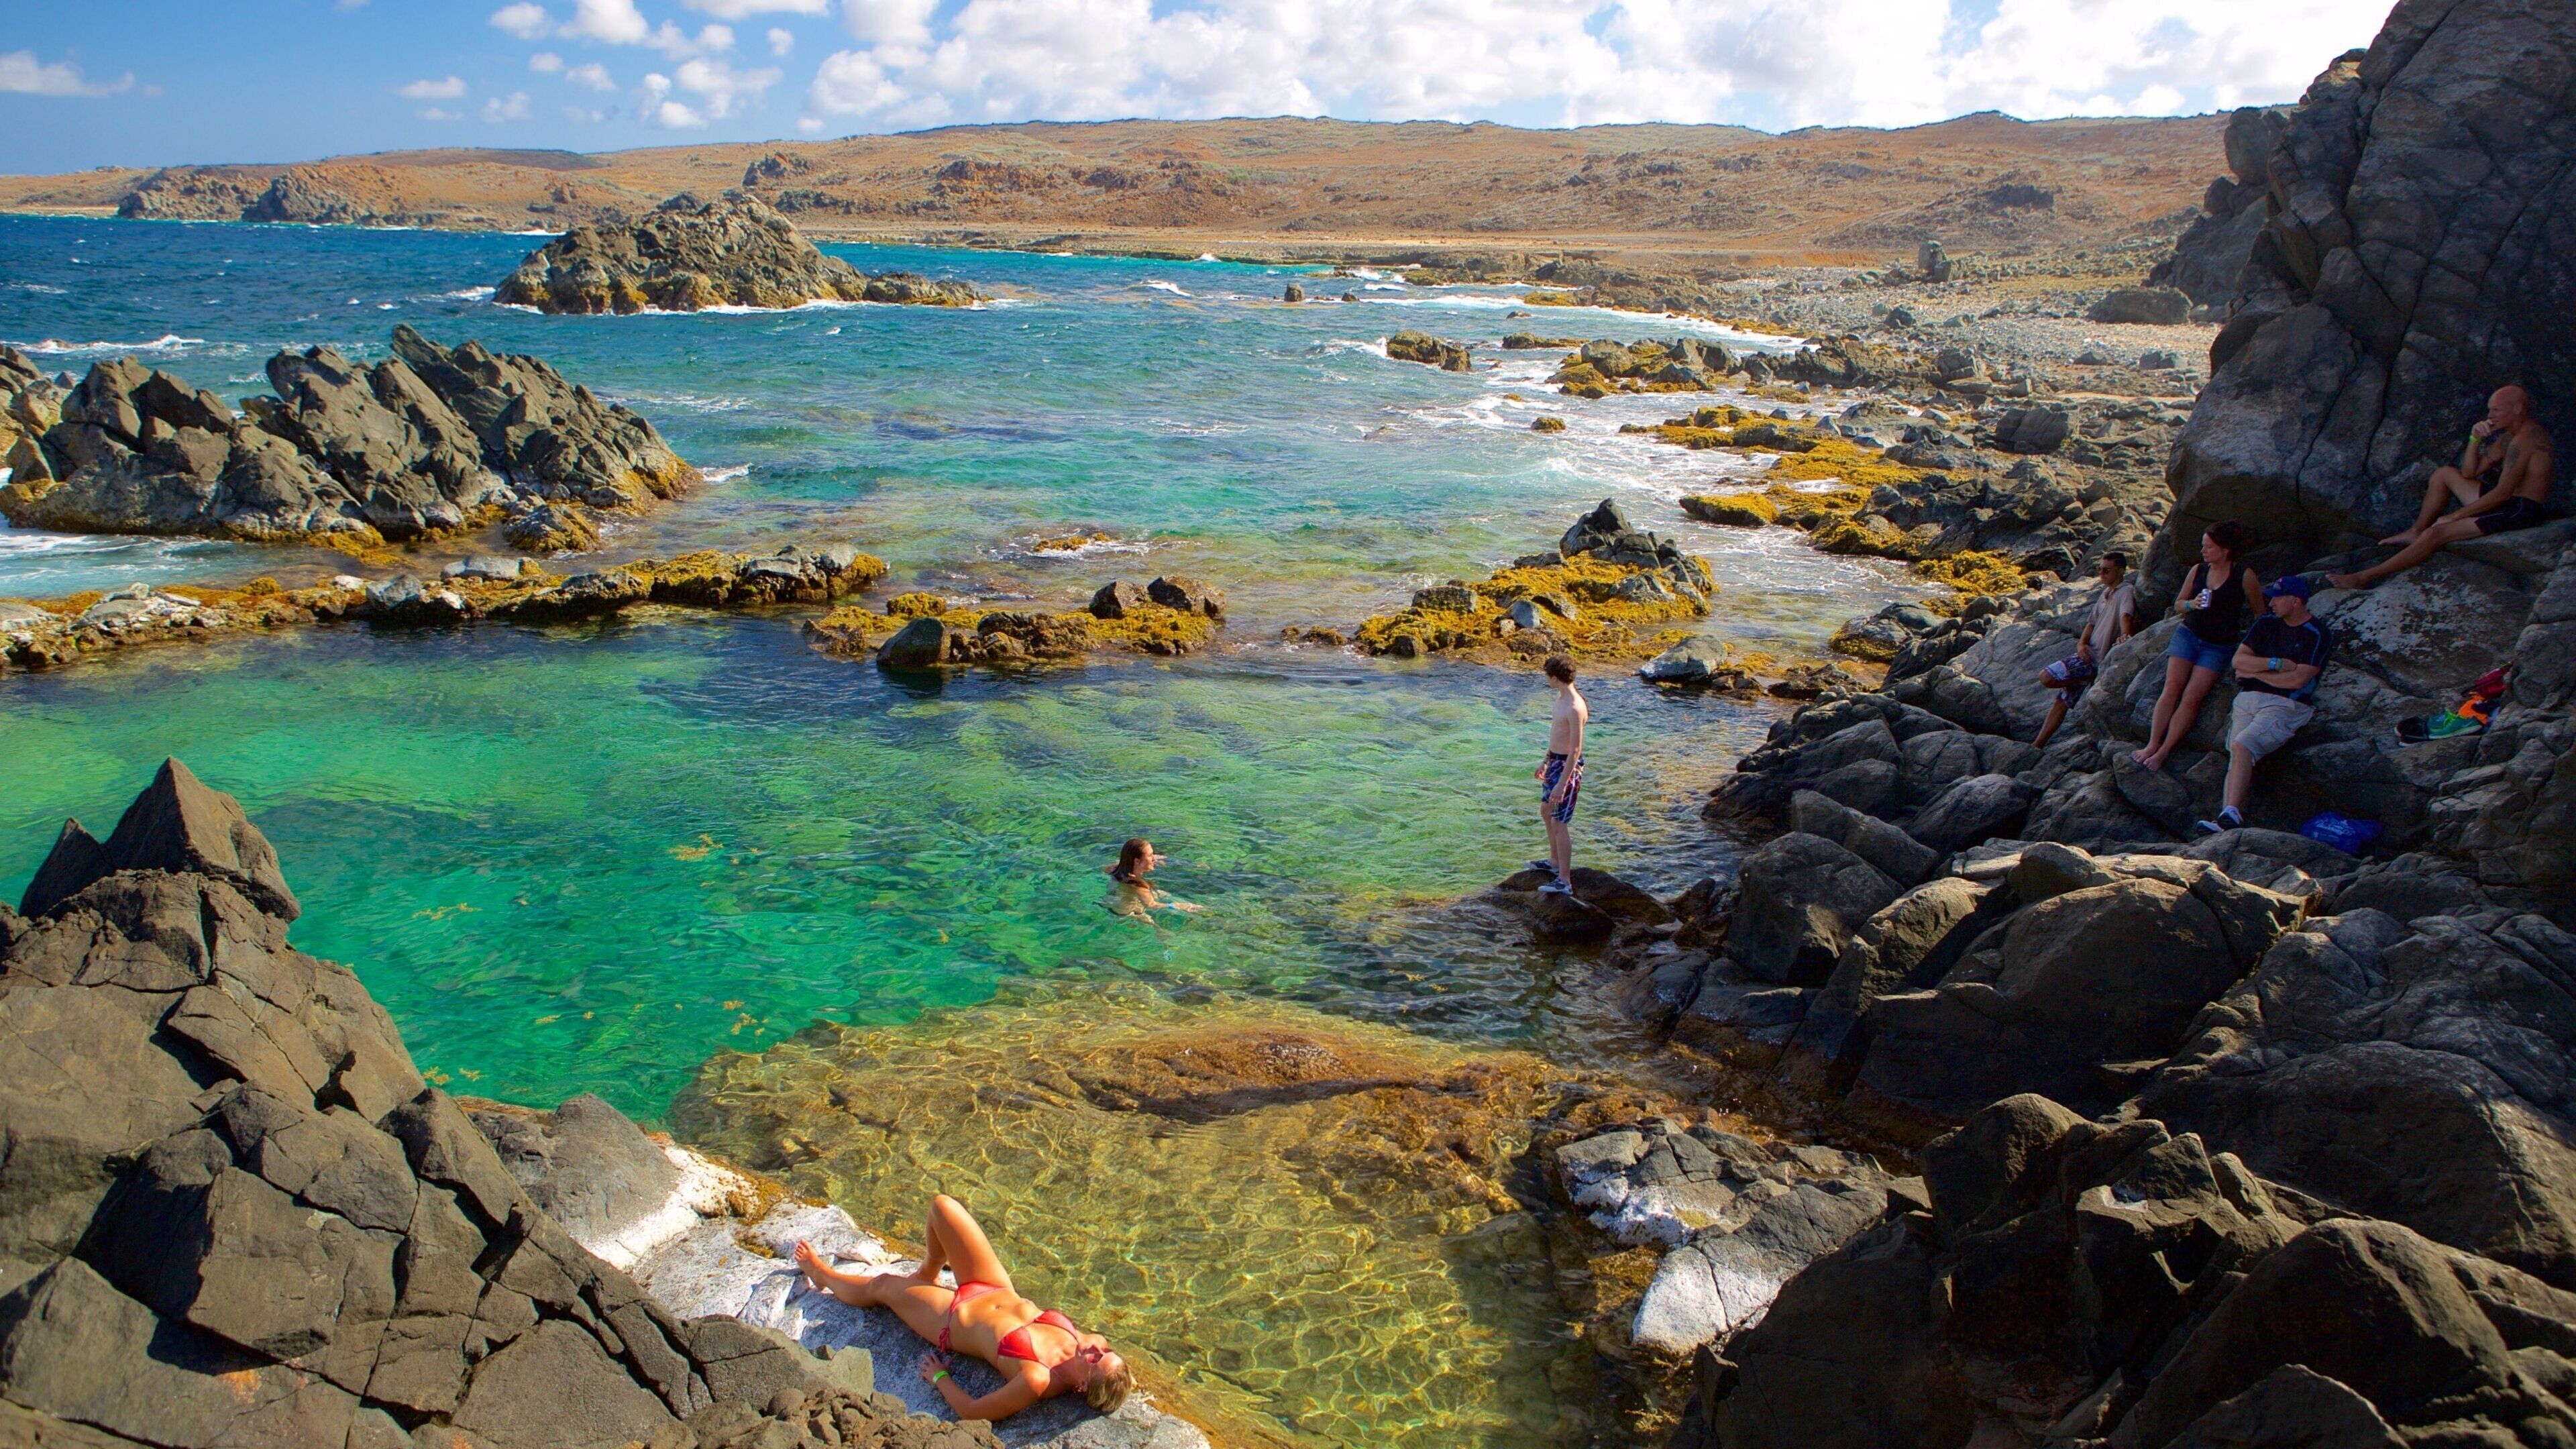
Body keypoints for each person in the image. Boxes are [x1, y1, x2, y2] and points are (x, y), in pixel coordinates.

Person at [793, 1196, 1132, 1421]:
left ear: (1082, 1387)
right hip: (995, 1285)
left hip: (952, 1318)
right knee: (942, 1207)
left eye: (1097, 1361)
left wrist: (940, 1377)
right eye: (1106, 1351)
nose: (1096, 1349)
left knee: (881, 1285)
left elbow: (972, 1412)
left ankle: (822, 1276)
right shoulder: (1091, 1342)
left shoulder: (1037, 1380)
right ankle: (928, 1272)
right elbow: (1104, 1362)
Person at [2328, 386, 2558, 590]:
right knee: (2444, 474)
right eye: (2490, 410)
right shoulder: (2508, 438)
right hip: (2506, 502)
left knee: (2435, 534)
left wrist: (2455, 516)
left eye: (2496, 410)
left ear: (2517, 409)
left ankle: (2363, 577)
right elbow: (2469, 473)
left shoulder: (2525, 440)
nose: (2490, 416)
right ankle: (2415, 531)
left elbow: (2503, 493)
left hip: (2520, 510)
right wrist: (2475, 439)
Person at [2196, 575, 2332, 834]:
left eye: (2277, 598)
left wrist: (2254, 674)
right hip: (2248, 698)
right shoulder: (2266, 624)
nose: (2271, 603)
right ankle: (2225, 819)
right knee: (2238, 753)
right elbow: (2239, 661)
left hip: (2286, 704)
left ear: (2296, 601)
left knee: (2243, 745)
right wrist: (2274, 664)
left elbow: (2298, 680)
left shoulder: (2318, 634)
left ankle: (2231, 813)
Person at [2132, 521, 2263, 772]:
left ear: (2225, 549)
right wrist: (2192, 604)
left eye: (2208, 546)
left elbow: (2259, 613)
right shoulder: (2198, 571)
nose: (2203, 551)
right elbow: (2179, 604)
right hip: (2189, 635)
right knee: (2172, 688)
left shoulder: (2243, 575)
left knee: (2192, 697)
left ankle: (2164, 751)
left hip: (2218, 645)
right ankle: (2152, 744)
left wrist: (2254, 646)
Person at [2033, 551, 2139, 749]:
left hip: (2095, 660)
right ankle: (2037, 745)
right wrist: (2081, 645)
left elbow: (2126, 616)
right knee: (2062, 701)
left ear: (2120, 571)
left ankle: (2088, 677)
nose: (2101, 574)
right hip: (2087, 653)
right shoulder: (2105, 594)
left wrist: (2126, 636)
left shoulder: (2125, 591)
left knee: (2046, 677)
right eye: (2100, 569)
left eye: (2106, 570)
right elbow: (2091, 624)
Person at [1529, 654, 1587, 894]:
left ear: (1555, 677)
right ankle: (1554, 862)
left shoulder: (1575, 707)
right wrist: (1546, 761)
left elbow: (1576, 750)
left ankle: (1565, 881)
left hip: (1567, 769)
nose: (1547, 680)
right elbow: (1557, 737)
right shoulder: (1560, 698)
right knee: (1546, 812)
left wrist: (1562, 784)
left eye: (1548, 676)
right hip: (1554, 763)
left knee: (1559, 823)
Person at [1104, 837, 1197, 918]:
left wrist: (1157, 859)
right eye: (1150, 855)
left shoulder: (1114, 869)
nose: (1154, 859)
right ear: (1137, 861)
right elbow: (1150, 905)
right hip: (1127, 912)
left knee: (1161, 894)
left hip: (1114, 904)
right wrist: (1178, 906)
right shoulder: (1138, 885)